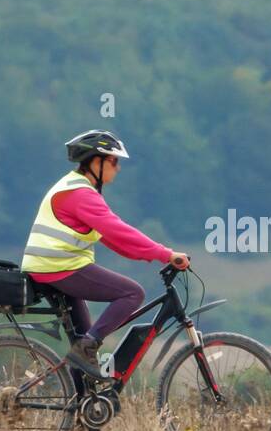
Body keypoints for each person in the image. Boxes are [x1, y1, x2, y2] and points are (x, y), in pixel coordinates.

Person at [21, 130, 190, 381]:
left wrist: (153, 255)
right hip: (58, 267)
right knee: (132, 293)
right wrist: (165, 254)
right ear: (96, 162)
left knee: (83, 340)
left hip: (52, 267)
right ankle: (86, 349)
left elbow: (113, 239)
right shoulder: (80, 194)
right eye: (114, 161)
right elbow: (118, 230)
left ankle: (80, 408)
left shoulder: (75, 187)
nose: (118, 168)